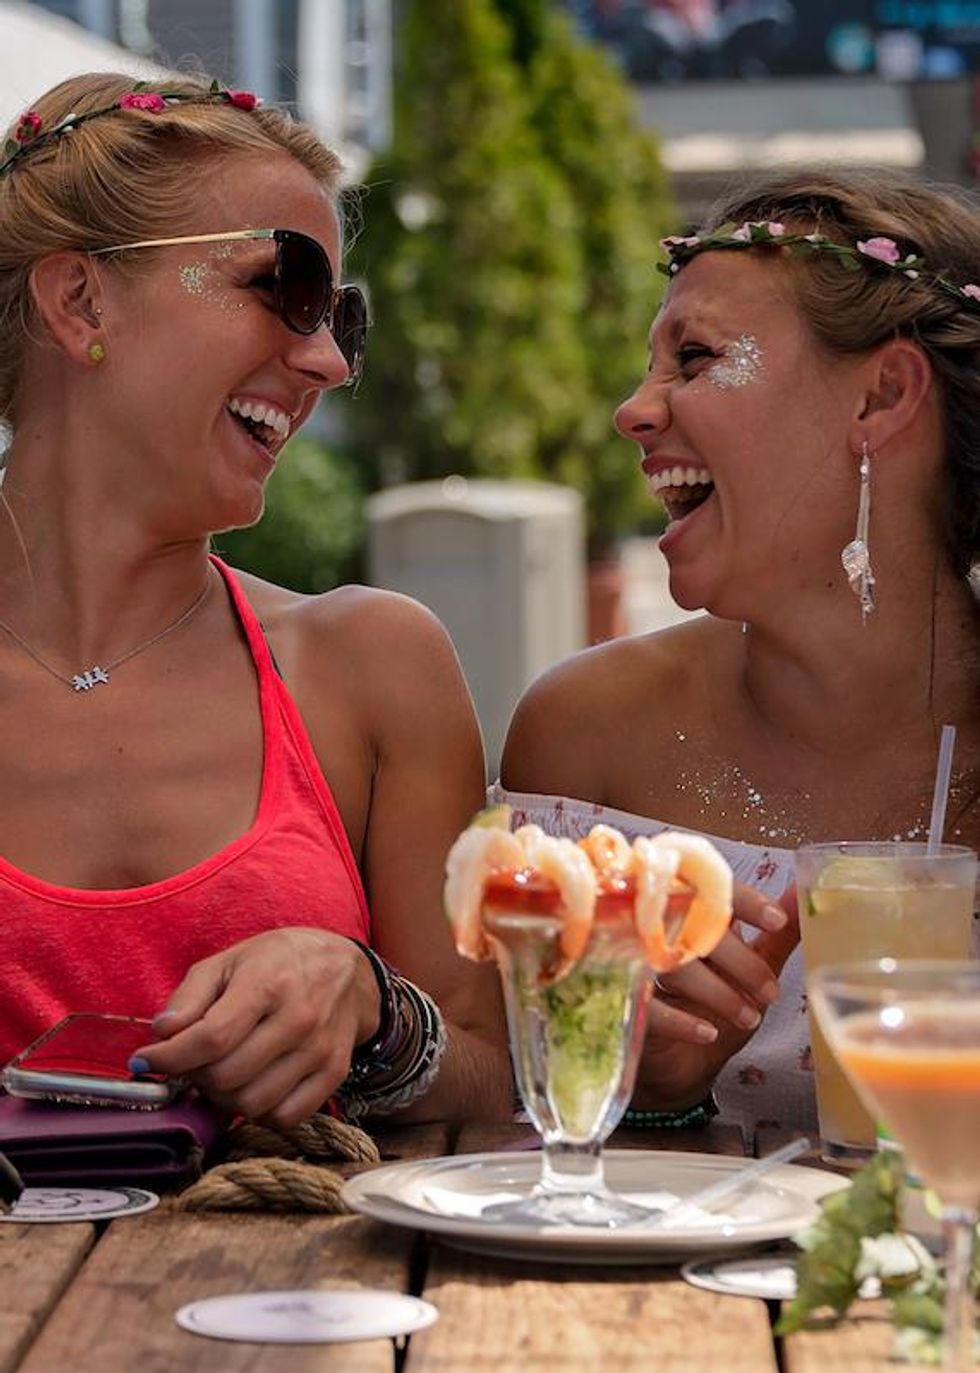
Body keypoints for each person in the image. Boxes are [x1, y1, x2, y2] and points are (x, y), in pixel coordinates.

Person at [0, 71, 511, 1129]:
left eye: (342, 319)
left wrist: (372, 1009)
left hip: (284, 1290)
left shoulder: (369, 664)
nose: (325, 360)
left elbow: (496, 1070)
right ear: (79, 300)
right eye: (285, 286)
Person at [499, 167, 980, 1140]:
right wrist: (657, 1079)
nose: (633, 410)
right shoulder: (585, 740)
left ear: (880, 394)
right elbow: (522, 1126)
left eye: (694, 358)